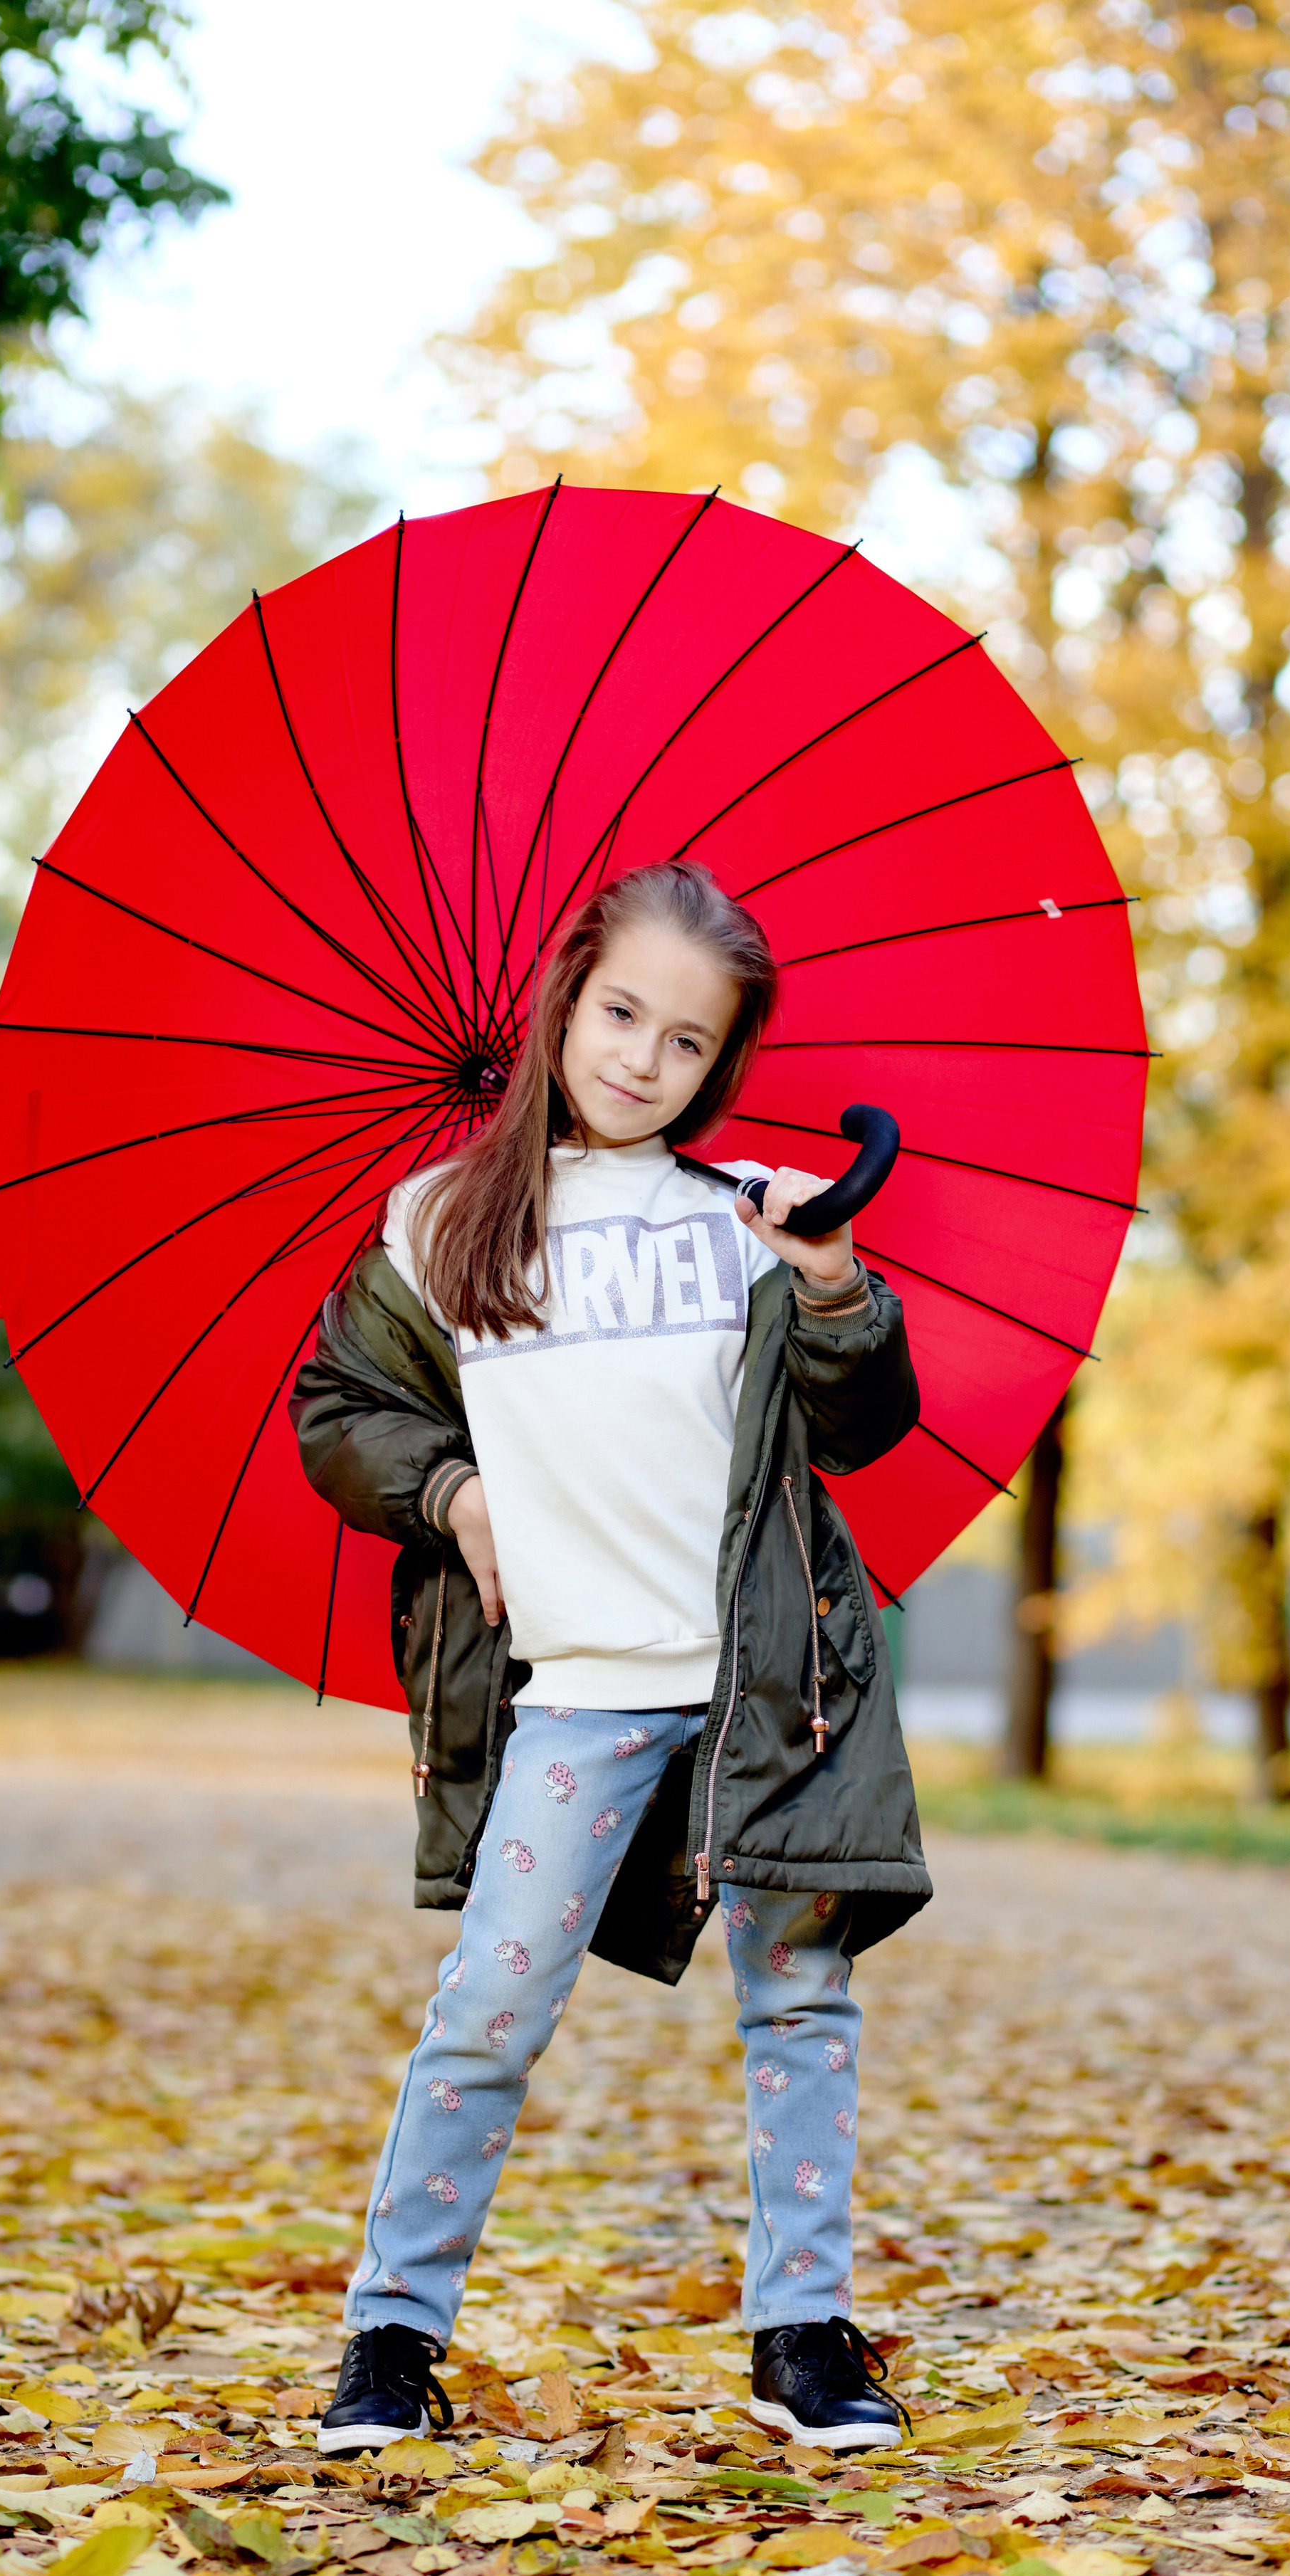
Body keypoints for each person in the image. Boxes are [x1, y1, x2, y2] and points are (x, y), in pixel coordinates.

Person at [290, 858, 929, 2456]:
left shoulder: (744, 1223)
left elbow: (861, 1425)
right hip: (574, 1692)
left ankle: (803, 2329)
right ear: (565, 999)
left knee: (799, 2005)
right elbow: (339, 1412)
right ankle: (392, 2334)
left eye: (687, 1040)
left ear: (722, 1063)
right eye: (622, 1013)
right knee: (490, 2007)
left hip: (768, 1690)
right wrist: (452, 1494)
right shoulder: (441, 1224)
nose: (644, 1059)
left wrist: (833, 1282)